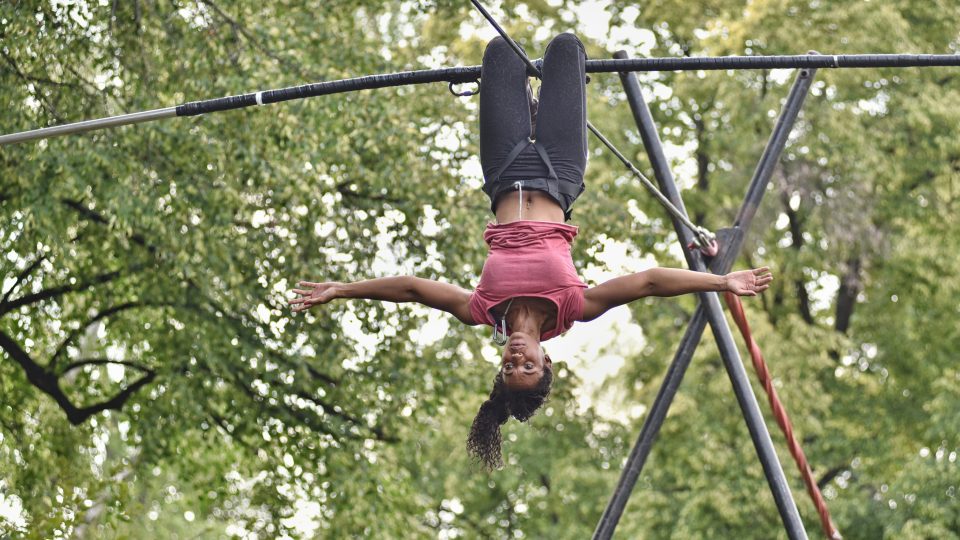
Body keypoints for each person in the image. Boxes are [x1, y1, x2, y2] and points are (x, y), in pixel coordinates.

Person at [289, 34, 772, 469]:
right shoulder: (574, 307)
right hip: (559, 171)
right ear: (546, 363)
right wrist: (721, 281)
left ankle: (528, 100)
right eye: (529, 366)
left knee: (500, 54)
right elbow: (648, 281)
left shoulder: (481, 310)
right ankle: (552, 97)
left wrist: (342, 289)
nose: (518, 358)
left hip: (503, 170)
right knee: (565, 48)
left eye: (510, 367)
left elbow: (413, 288)